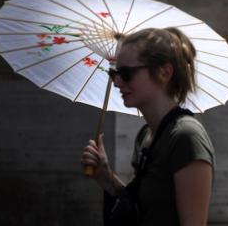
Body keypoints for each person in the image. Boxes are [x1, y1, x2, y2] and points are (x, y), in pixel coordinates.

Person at [80, 27, 215, 226]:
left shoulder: (186, 137)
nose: (117, 82)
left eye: (126, 73)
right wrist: (106, 177)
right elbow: (146, 208)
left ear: (164, 72)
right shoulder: (146, 135)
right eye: (114, 72)